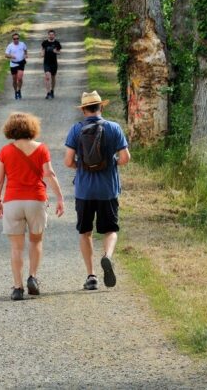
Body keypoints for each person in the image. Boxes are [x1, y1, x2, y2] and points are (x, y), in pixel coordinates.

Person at [64, 91, 130, 291]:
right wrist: (112, 163)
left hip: (84, 191)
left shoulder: (76, 130)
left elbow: (68, 161)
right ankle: (107, 256)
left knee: (85, 232)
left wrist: (81, 166)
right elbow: (125, 158)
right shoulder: (114, 128)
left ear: (84, 110)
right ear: (101, 107)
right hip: (108, 190)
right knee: (110, 230)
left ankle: (91, 276)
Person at [0, 112, 65, 300]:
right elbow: (49, 174)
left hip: (13, 201)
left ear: (10, 129)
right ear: (32, 128)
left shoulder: (5, 151)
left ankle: (17, 288)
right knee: (36, 241)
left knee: (16, 248)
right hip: (36, 199)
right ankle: (32, 277)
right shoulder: (41, 149)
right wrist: (59, 197)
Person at [4, 32, 28, 100]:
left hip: (21, 63)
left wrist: (25, 55)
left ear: (19, 38)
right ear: (12, 39)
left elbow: (25, 50)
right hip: (13, 63)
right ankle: (15, 91)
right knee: (14, 79)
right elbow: (6, 55)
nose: (16, 40)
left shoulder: (22, 44)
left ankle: (19, 90)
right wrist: (11, 56)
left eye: (17, 38)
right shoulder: (10, 46)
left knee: (19, 78)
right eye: (14, 39)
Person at [40, 29, 62, 99]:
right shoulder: (45, 43)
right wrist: (42, 54)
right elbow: (42, 50)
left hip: (54, 63)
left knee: (53, 77)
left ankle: (52, 90)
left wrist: (56, 52)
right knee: (47, 77)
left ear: (54, 35)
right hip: (46, 63)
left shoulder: (57, 43)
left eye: (52, 35)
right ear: (48, 35)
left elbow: (59, 52)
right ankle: (48, 92)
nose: (51, 36)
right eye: (50, 35)